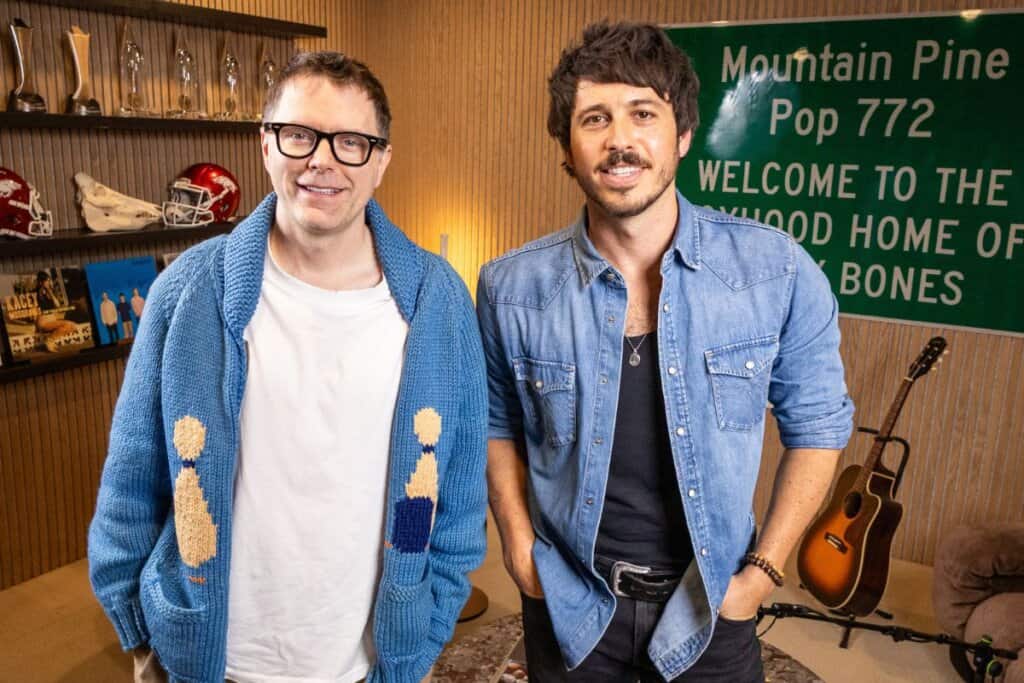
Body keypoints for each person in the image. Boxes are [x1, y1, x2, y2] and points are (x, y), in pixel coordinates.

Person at [88, 51, 488, 683]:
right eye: (300, 134)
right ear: (266, 145)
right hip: (214, 655)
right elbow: (132, 477)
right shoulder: (189, 292)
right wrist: (139, 635)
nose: (322, 160)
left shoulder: (437, 302)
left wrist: (429, 627)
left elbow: (460, 492)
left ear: (381, 161)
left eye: (351, 141)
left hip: (367, 660)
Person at [477, 22, 854, 682]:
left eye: (643, 113)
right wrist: (518, 549)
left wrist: (761, 574)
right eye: (595, 118)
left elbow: (819, 427)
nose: (619, 139)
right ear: (567, 147)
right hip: (569, 603)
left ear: (682, 135)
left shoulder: (777, 271)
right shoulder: (510, 287)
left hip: (711, 605)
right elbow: (494, 420)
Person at [33, 270, 78, 352]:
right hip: (44, 322)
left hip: (52, 320)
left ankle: (51, 341)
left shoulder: (49, 292)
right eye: (46, 281)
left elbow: (57, 304)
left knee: (73, 326)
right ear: (41, 282)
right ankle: (49, 341)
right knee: (68, 324)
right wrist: (46, 289)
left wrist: (50, 291)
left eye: (49, 280)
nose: (48, 282)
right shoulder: (39, 292)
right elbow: (39, 302)